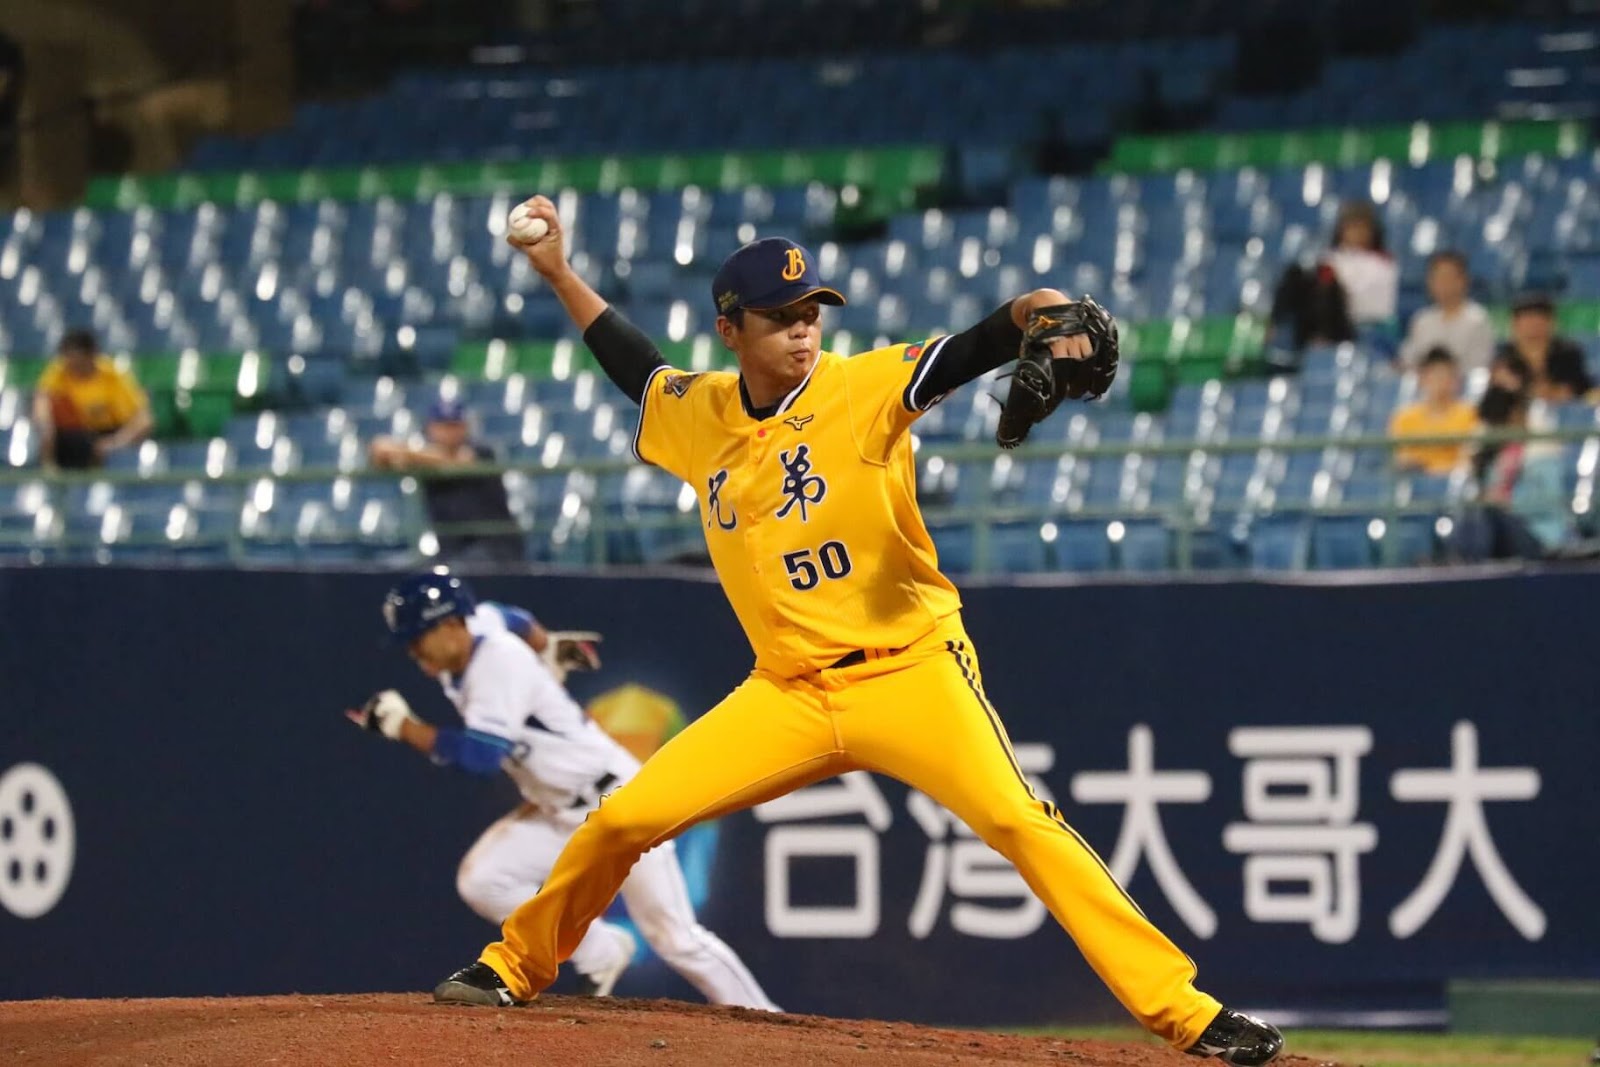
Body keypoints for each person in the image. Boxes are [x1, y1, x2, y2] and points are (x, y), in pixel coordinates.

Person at [431, 198, 1285, 1067]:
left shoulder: (864, 386)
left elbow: (984, 340)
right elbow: (635, 365)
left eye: (811, 311)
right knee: (623, 819)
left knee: (1020, 820)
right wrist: (559, 274)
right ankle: (515, 964)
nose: (803, 330)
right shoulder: (701, 412)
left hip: (909, 669)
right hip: (787, 692)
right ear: (730, 329)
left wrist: (1043, 309)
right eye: (780, 317)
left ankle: (1187, 1012)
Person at [351, 571, 778, 1009]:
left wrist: (404, 727)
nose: (412, 650)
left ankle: (767, 1018)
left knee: (676, 939)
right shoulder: (478, 625)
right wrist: (546, 642)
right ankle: (601, 951)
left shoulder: (496, 664)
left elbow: (480, 758)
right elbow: (512, 617)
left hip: (616, 802)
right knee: (484, 879)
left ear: (447, 625)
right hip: (557, 810)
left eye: (417, 637)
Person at [368, 398, 524, 565]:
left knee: (455, 570)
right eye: (442, 425)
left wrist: (405, 452)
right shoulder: (422, 460)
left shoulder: (482, 452)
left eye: (454, 425)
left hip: (495, 548)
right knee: (395, 570)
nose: (448, 432)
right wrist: (398, 453)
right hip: (451, 550)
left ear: (465, 427)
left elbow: (453, 461)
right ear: (430, 427)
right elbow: (379, 451)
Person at [1452, 354, 1571, 562]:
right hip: (1498, 528)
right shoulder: (1492, 456)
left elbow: (1549, 502)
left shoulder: (1543, 449)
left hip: (1539, 534)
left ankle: (1467, 567)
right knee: (1474, 513)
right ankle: (1461, 565)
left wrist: (1510, 503)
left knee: (1489, 514)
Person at [1267, 199, 1397, 361]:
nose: (1356, 234)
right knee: (1296, 274)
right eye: (1351, 227)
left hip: (1353, 322)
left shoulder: (1383, 264)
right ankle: (1274, 327)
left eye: (1362, 228)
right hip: (1319, 317)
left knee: (1328, 286)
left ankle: (1323, 339)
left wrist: (1336, 284)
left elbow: (1373, 306)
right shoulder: (1330, 258)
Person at [31, 328, 152, 470]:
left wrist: (115, 443)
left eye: (78, 362)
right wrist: (46, 429)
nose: (73, 367)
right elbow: (41, 402)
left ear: (92, 356)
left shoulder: (113, 375)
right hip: (74, 439)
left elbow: (143, 420)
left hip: (111, 435)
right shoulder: (58, 372)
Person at [1397, 251, 1494, 373]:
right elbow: (1407, 361)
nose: (1442, 284)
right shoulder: (1422, 320)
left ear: (1464, 280)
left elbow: (1479, 369)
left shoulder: (1478, 320)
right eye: (1436, 277)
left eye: (1447, 277)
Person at [1389, 347, 1479, 476]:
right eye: (1436, 376)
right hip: (1416, 480)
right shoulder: (1404, 417)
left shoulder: (1469, 414)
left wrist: (1435, 470)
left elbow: (1467, 460)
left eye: (1447, 377)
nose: (1441, 383)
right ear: (1423, 379)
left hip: (1453, 481)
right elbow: (1402, 459)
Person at [1496, 292, 1593, 404]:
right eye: (1528, 322)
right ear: (1515, 325)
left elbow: (1584, 390)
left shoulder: (1569, 354)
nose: (1534, 329)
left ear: (1552, 324)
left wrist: (1563, 392)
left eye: (1539, 322)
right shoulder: (1503, 356)